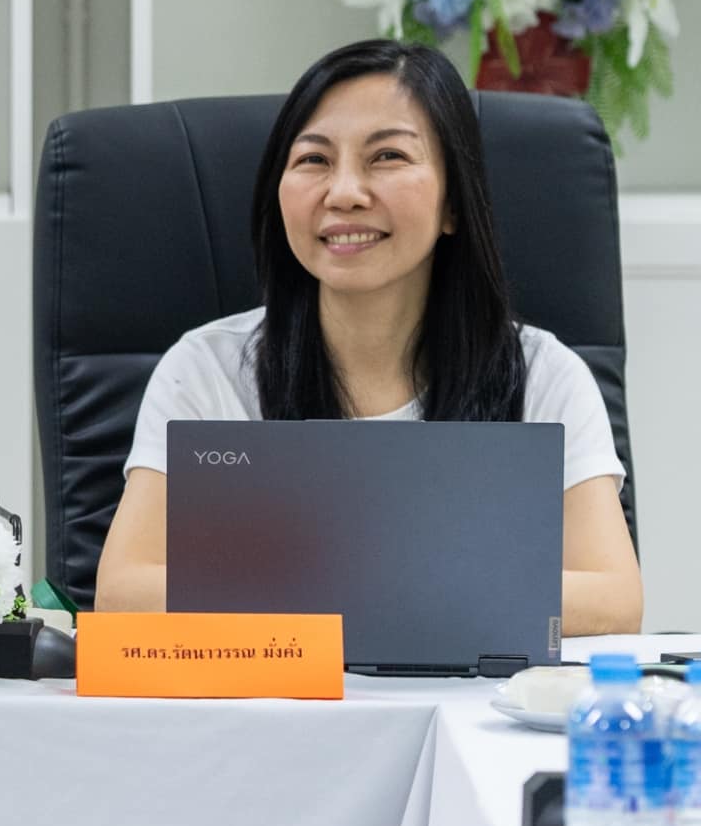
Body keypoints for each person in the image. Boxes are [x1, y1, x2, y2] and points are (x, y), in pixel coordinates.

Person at [94, 39, 643, 635]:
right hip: (272, 692)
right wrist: (422, 586)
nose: (345, 193)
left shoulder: (541, 374)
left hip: (477, 696)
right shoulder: (206, 370)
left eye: (387, 156)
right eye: (314, 160)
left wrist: (304, 580)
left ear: (454, 202)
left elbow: (613, 602)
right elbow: (125, 593)